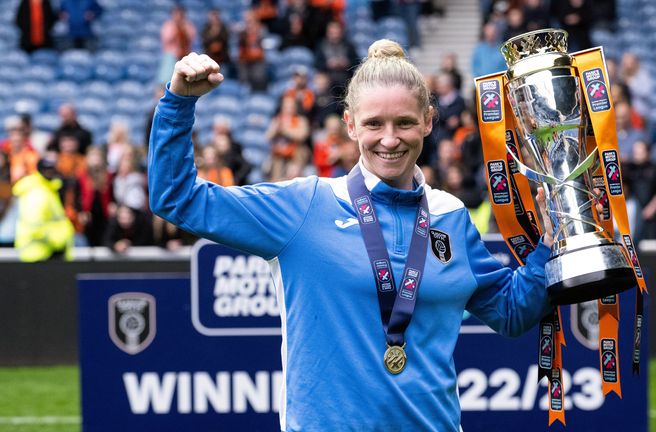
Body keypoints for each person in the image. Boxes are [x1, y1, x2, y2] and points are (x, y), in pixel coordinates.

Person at [149, 41, 557, 431]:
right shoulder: (305, 206)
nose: (390, 139)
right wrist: (179, 102)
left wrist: (551, 246)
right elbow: (177, 198)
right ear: (350, 124)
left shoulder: (450, 216)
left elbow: (511, 312)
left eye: (405, 123)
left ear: (429, 121)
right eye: (374, 124)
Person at [13, 153, 75, 261]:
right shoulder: (36, 191)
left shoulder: (49, 189)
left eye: (52, 169)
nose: (50, 172)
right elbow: (35, 225)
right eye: (46, 169)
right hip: (41, 251)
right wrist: (57, 240)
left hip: (48, 251)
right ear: (39, 170)